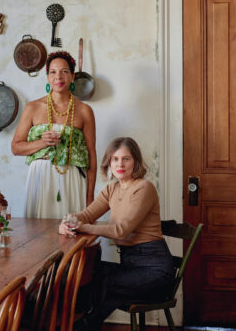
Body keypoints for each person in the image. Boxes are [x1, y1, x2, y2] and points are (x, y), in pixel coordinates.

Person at [59, 137, 175, 327]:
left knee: (103, 283)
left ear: (135, 161)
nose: (120, 164)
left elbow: (121, 231)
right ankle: (82, 324)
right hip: (130, 266)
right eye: (115, 159)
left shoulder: (144, 188)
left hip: (155, 270)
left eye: (126, 159)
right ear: (109, 163)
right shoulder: (111, 189)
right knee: (82, 275)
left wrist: (83, 227)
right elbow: (86, 215)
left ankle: (81, 325)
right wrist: (66, 222)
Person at [11, 50, 97, 218]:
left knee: (72, 233)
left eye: (64, 71)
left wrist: (90, 197)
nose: (58, 77)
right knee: (37, 236)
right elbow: (15, 147)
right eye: (53, 72)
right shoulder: (32, 108)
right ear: (48, 77)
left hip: (72, 178)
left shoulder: (85, 111)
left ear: (73, 76)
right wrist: (41, 143)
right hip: (40, 178)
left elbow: (92, 155)